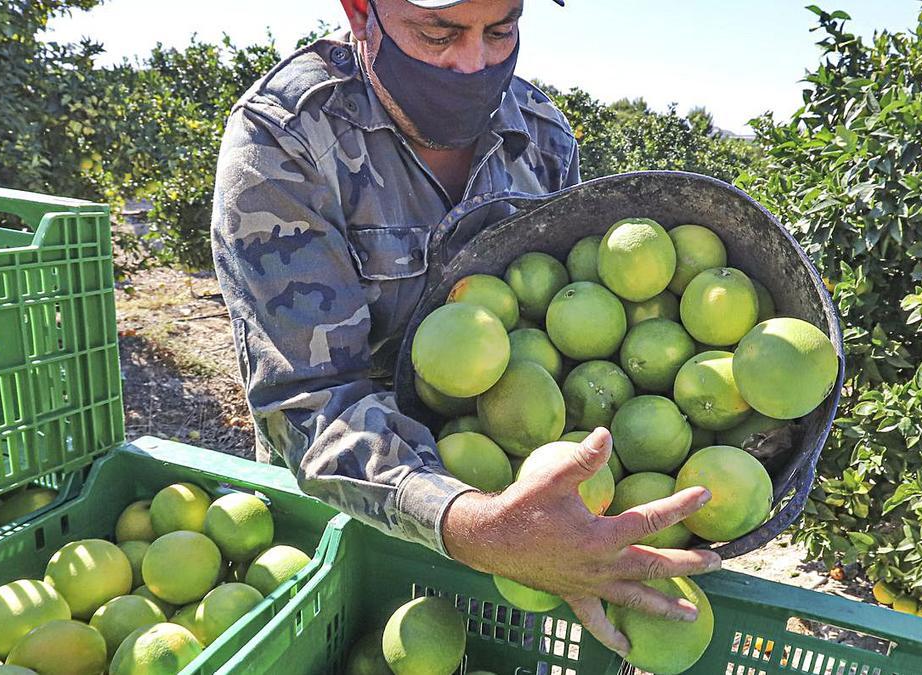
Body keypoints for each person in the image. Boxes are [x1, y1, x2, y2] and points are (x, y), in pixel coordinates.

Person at [210, 0, 720, 654]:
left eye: (501, 27)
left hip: (531, 535)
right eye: (440, 32)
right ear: (362, 12)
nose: (475, 62)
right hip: (349, 526)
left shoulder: (540, 133)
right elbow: (308, 403)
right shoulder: (287, 140)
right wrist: (475, 524)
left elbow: (577, 318)